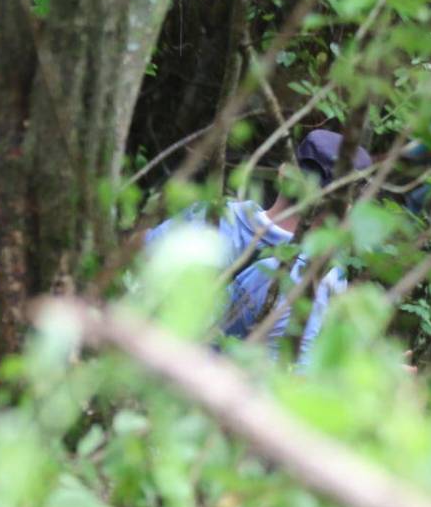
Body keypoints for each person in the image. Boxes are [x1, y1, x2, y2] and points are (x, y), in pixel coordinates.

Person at [145, 129, 371, 368]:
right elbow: (292, 380)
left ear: (283, 173)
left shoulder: (213, 213)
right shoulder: (315, 276)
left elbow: (137, 262)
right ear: (345, 207)